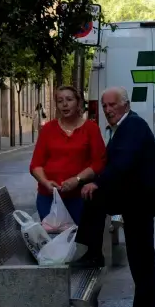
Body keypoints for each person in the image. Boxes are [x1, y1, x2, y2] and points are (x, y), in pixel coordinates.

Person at [81, 86, 155, 307]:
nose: (107, 110)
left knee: (141, 256)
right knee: (139, 255)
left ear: (125, 104)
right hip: (133, 199)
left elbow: (123, 163)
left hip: (139, 201)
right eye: (104, 106)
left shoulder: (132, 126)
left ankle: (88, 251)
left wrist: (97, 184)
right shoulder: (126, 126)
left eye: (112, 105)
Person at [29, 86, 106, 225]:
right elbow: (36, 165)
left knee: (79, 242)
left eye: (69, 100)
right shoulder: (48, 129)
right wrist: (45, 182)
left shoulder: (91, 129)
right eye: (60, 101)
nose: (64, 104)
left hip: (80, 198)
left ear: (78, 103)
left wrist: (77, 179)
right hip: (49, 198)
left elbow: (99, 163)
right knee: (54, 242)